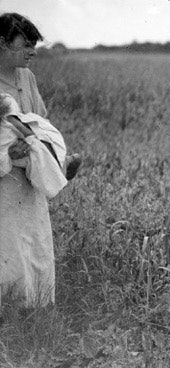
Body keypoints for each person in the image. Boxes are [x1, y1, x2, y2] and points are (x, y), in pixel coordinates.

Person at [0, 13, 74, 307]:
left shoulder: (26, 78)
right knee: (8, 251)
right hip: (3, 183)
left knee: (34, 247)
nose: (32, 51)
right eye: (26, 44)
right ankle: (8, 319)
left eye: (34, 45)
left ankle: (34, 313)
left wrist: (43, 151)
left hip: (29, 181)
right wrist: (7, 154)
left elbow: (40, 121)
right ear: (3, 43)